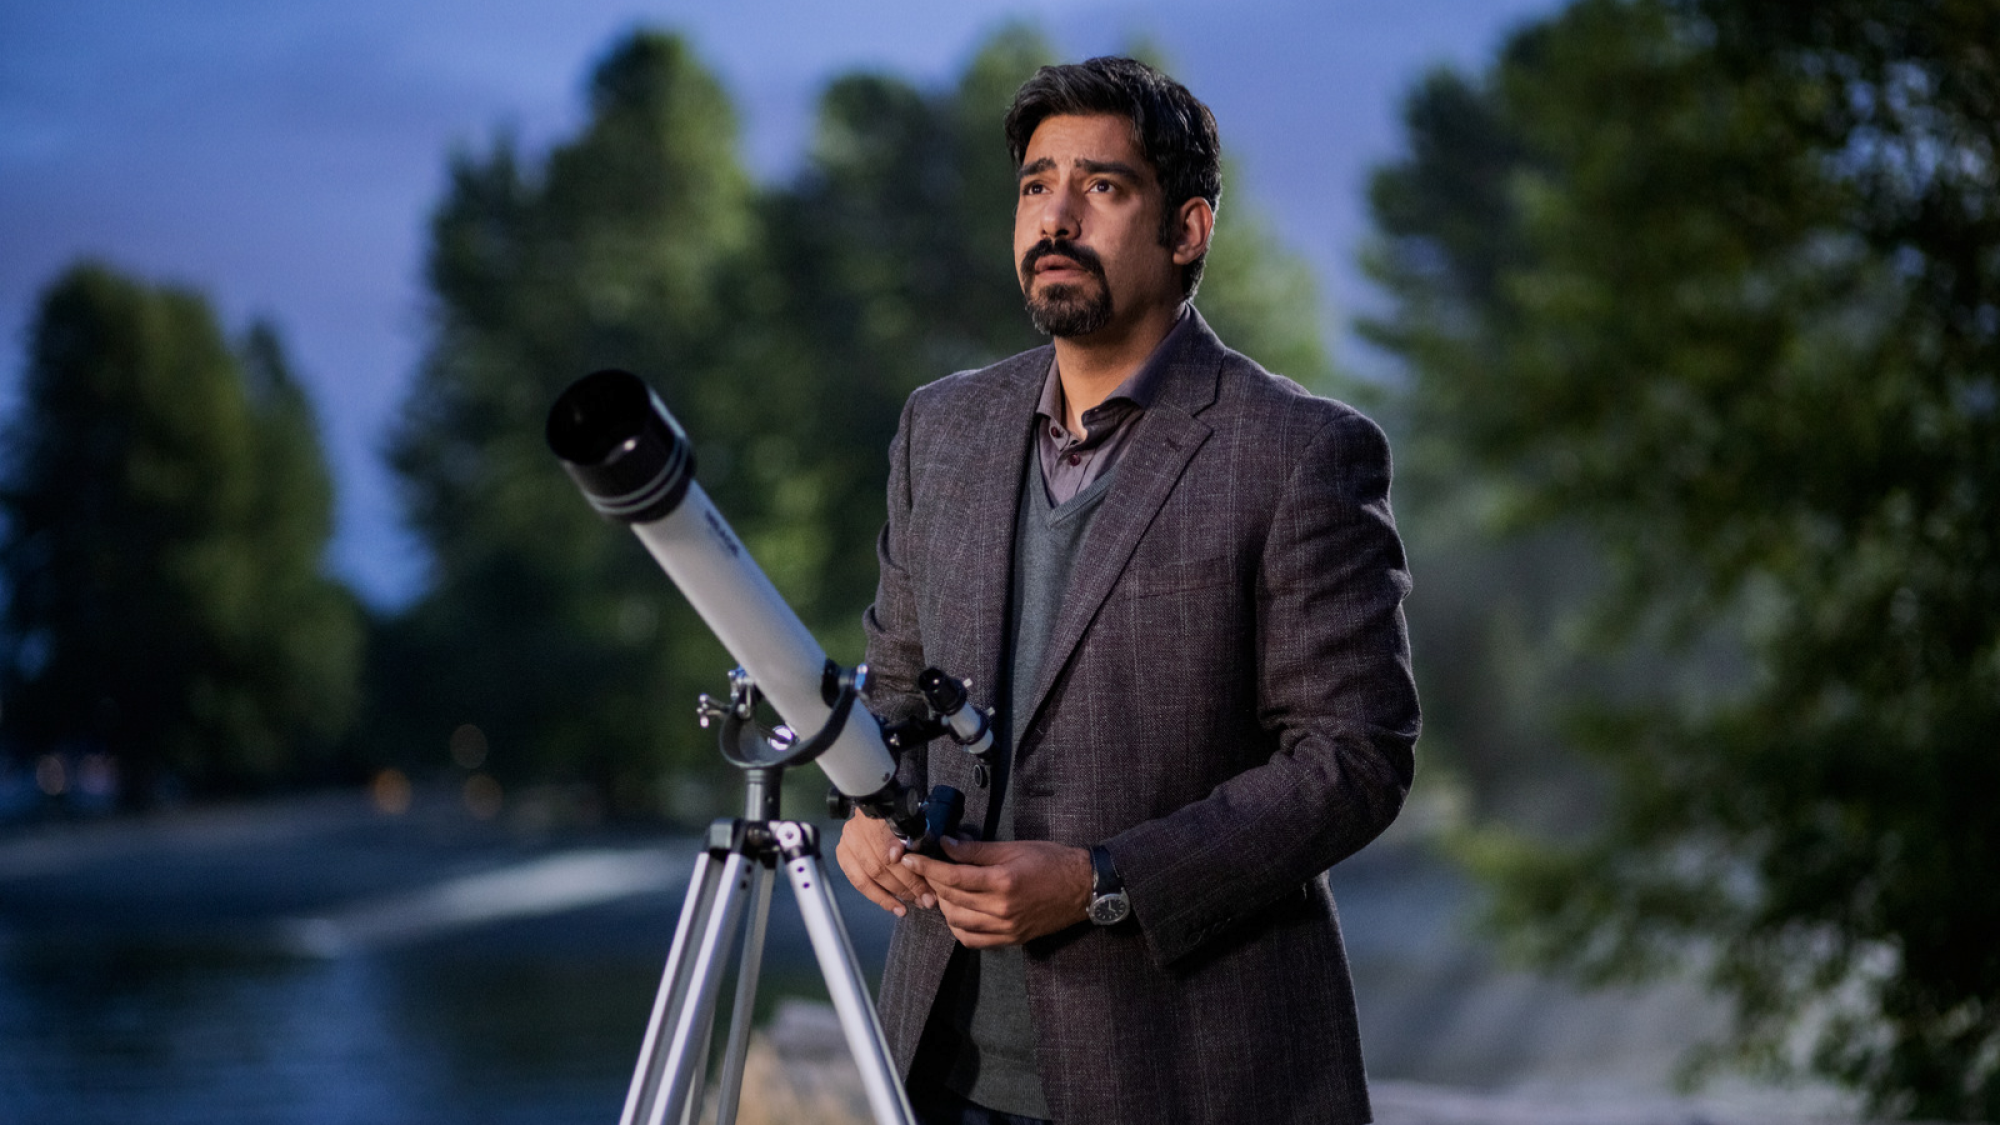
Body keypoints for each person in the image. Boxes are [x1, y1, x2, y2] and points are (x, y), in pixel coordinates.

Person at [835, 56, 1419, 1125]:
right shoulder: (942, 429)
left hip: (1192, 1077)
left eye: (1099, 188)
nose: (1053, 217)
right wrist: (865, 804)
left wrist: (1099, 879)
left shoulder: (1299, 452)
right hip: (938, 1070)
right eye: (1033, 185)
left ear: (1185, 230)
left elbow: (1353, 761)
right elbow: (895, 683)